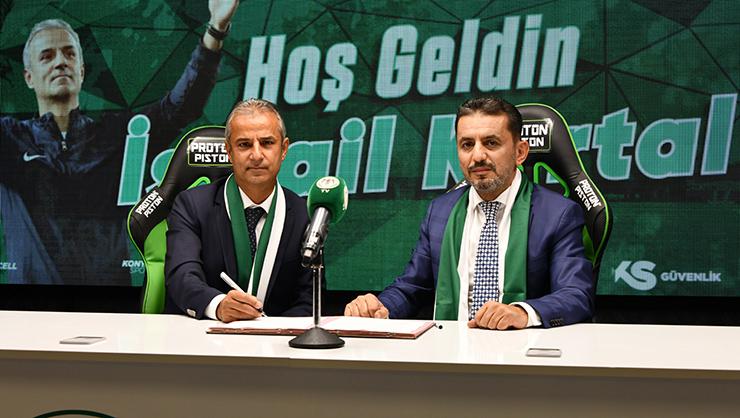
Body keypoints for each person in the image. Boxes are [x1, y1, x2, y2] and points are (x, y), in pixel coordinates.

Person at [0, 0, 239, 284]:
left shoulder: (118, 135)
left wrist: (216, 29)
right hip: (28, 305)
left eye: (69, 53)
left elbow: (178, 108)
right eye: (46, 56)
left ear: (82, 71)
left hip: (110, 303)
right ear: (29, 77)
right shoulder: (10, 140)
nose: (60, 62)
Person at [345, 97, 594, 329]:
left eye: (491, 143)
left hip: (521, 351)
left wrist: (522, 312)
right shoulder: (440, 212)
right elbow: (412, 287)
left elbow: (576, 295)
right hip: (450, 350)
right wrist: (380, 307)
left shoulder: (558, 214)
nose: (477, 156)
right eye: (467, 145)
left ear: (520, 152)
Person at [165, 99, 312, 321]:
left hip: (279, 339)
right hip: (206, 335)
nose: (256, 155)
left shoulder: (305, 214)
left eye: (267, 143)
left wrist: (272, 333)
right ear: (229, 151)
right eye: (244, 145)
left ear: (283, 149)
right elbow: (182, 276)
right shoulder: (191, 205)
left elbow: (309, 299)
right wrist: (218, 306)